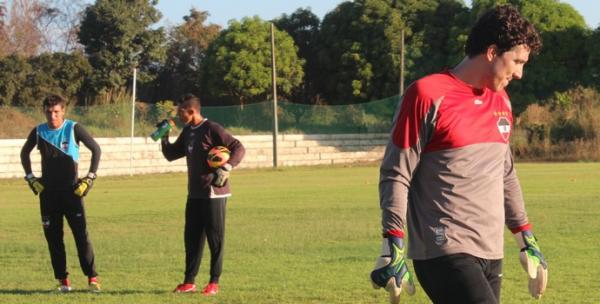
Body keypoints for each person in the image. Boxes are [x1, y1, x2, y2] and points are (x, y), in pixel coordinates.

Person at [370, 5, 547, 304]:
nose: (519, 73)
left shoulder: (502, 101)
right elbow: (396, 173)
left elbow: (504, 174)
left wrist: (526, 239)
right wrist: (393, 245)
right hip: (444, 249)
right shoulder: (426, 95)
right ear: (492, 52)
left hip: (491, 251)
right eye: (516, 61)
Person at [160, 93, 245, 296]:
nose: (179, 116)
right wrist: (163, 136)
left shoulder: (211, 128)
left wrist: (227, 167)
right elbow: (171, 155)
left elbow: (238, 147)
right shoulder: (188, 131)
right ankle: (189, 281)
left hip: (213, 192)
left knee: (215, 239)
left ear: (192, 111)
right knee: (191, 239)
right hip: (194, 194)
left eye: (181, 112)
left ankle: (214, 282)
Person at [20, 95, 102, 292]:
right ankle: (63, 281)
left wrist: (90, 178)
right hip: (48, 195)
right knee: (54, 239)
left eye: (56, 112)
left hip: (72, 193)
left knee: (81, 236)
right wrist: (31, 177)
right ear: (44, 112)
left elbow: (96, 150)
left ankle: (92, 278)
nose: (52, 116)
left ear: (63, 111)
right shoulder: (39, 131)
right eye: (49, 112)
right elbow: (24, 153)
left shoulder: (73, 128)